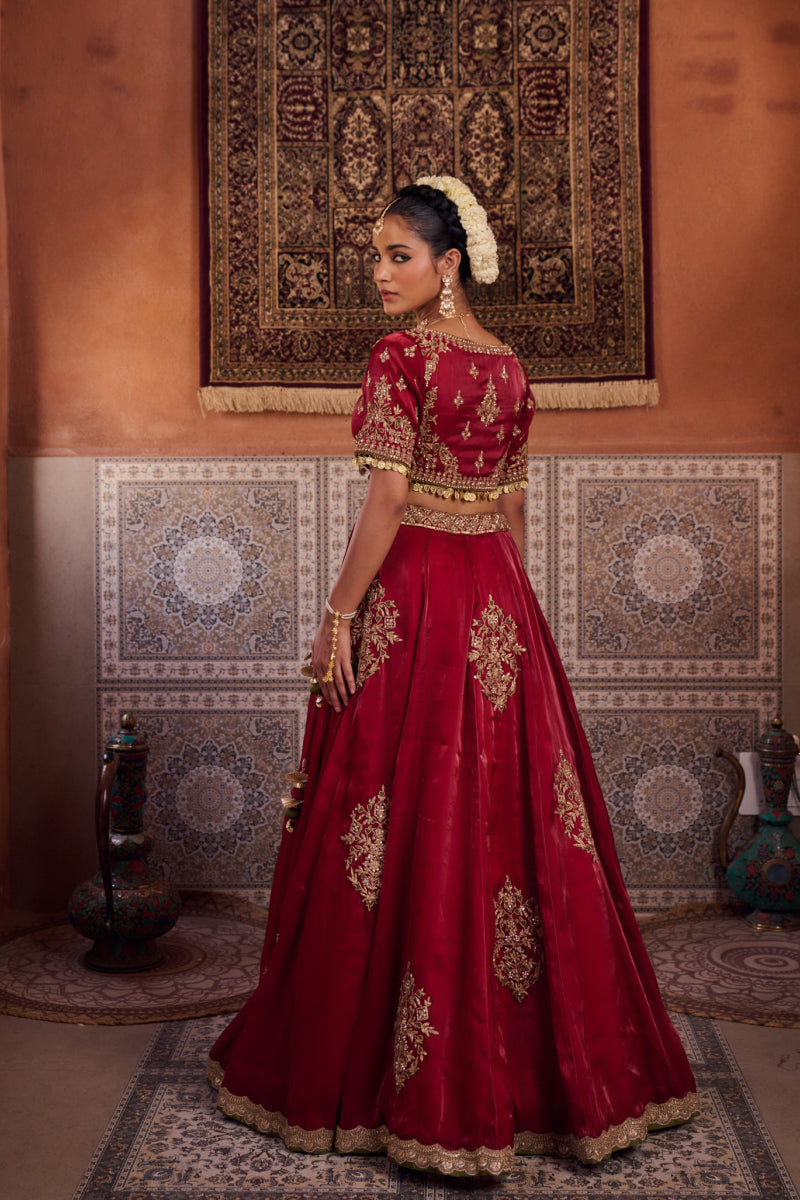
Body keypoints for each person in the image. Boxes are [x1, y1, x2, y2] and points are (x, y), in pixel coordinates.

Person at [207, 175, 698, 1176]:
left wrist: (339, 616)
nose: (379, 274)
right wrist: (509, 620)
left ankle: (386, 1081)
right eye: (374, 257)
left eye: (398, 256)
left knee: (390, 813)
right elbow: (512, 512)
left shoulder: (401, 355)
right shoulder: (508, 366)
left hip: (418, 594)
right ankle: (534, 1082)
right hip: (496, 599)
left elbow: (389, 501)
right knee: (510, 818)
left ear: (449, 265)